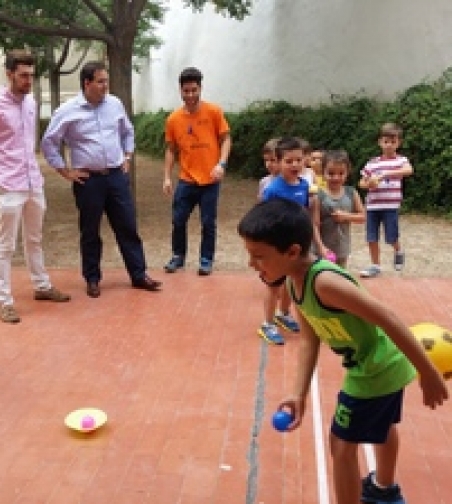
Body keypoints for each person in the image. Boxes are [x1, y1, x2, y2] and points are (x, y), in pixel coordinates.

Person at [238, 198, 448, 504]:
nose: (252, 264)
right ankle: (384, 489)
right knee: (383, 426)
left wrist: (427, 372)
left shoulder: (324, 282)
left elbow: (389, 318)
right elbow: (310, 340)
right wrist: (299, 394)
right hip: (384, 365)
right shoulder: (295, 283)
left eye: (259, 257)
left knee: (340, 445)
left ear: (293, 251)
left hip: (374, 371)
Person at [41, 60, 161, 298]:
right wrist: (65, 171)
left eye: (106, 81)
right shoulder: (67, 111)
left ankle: (139, 274)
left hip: (116, 177)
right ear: (87, 83)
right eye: (101, 81)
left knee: (127, 226)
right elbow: (49, 142)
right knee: (90, 231)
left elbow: (127, 131)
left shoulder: (115, 104)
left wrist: (127, 155)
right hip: (88, 182)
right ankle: (92, 278)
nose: (106, 85)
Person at [0, 50, 70, 324]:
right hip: (7, 184)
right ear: (9, 74)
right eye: (23, 75)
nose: (28, 80)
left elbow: (30, 142)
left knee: (35, 238)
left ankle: (42, 285)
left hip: (32, 181)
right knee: (5, 245)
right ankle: (3, 301)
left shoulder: (31, 103)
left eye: (31, 75)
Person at [162, 67, 231, 276]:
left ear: (200, 88)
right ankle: (178, 256)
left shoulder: (213, 112)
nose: (190, 95)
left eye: (194, 90)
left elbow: (226, 138)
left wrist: (222, 164)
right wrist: (166, 176)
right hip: (186, 180)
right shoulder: (173, 119)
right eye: (186, 91)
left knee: (208, 222)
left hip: (210, 179)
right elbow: (171, 149)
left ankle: (206, 259)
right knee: (178, 219)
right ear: (180, 91)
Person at [258, 136, 323, 345]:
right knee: (273, 284)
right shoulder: (273, 190)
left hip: (296, 244)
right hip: (278, 244)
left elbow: (305, 212)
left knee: (292, 281)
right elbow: (265, 217)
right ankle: (267, 324)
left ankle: (283, 313)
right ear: (278, 163)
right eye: (289, 161)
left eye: (299, 160)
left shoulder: (304, 185)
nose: (295, 165)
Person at [358, 122, 413, 278]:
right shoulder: (373, 163)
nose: (389, 145)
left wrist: (385, 175)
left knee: (391, 236)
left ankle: (398, 250)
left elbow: (409, 170)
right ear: (380, 142)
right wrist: (368, 183)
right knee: (371, 236)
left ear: (398, 143)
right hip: (372, 206)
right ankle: (375, 265)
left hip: (391, 206)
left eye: (393, 142)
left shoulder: (401, 160)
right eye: (386, 141)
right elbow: (361, 182)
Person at [315, 150, 366, 269]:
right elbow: (314, 224)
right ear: (323, 173)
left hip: (342, 248)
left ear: (347, 173)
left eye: (341, 173)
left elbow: (363, 217)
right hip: (321, 250)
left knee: (340, 278)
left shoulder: (351, 193)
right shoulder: (318, 195)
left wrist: (346, 216)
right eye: (331, 173)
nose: (336, 178)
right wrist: (320, 247)